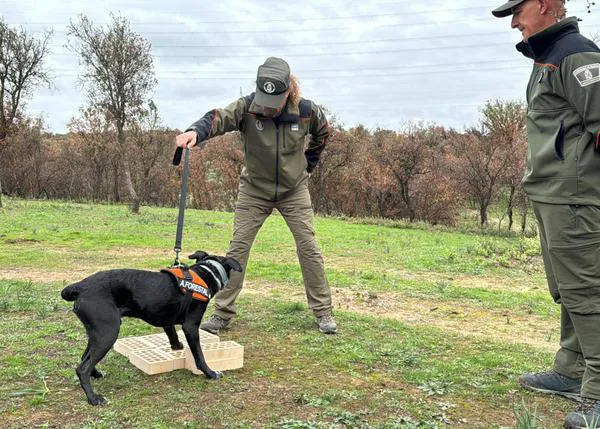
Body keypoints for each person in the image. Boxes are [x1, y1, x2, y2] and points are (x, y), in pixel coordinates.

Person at [492, 0, 600, 426]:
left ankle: (597, 391)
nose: (514, 21)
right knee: (569, 289)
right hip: (553, 193)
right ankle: (571, 370)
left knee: (588, 292)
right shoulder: (548, 57)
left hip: (576, 196)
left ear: (545, 4)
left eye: (517, 11)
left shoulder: (577, 54)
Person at [174, 57, 337, 335]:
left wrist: (307, 165)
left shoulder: (308, 111)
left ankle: (323, 312)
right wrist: (194, 132)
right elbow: (217, 118)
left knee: (309, 248)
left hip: (294, 190)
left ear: (289, 91)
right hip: (254, 191)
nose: (269, 108)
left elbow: (323, 135)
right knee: (238, 250)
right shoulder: (246, 108)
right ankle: (223, 314)